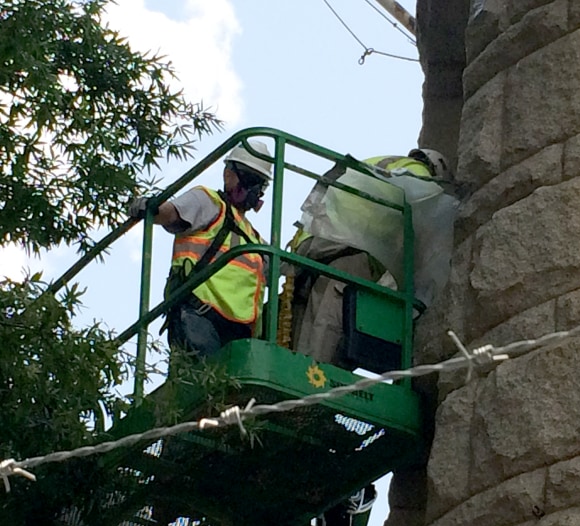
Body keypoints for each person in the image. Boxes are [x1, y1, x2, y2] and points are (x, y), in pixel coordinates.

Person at [289, 148, 453, 370]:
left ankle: (299, 373)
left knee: (303, 321)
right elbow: (426, 213)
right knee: (330, 319)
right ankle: (314, 378)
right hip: (349, 247)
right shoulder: (417, 173)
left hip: (317, 241)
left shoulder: (383, 164)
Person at [128, 141, 272, 357]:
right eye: (250, 179)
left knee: (225, 389)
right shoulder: (209, 203)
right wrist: (151, 207)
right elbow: (172, 212)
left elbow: (287, 271)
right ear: (228, 175)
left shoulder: (256, 240)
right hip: (199, 318)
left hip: (240, 334)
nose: (253, 190)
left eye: (260, 184)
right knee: (204, 384)